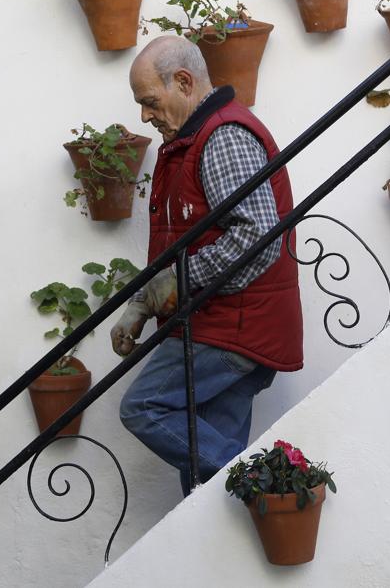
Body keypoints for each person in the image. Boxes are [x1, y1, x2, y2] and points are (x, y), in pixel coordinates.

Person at [113, 35, 304, 495]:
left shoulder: (222, 138)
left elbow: (256, 235)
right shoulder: (192, 141)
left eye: (150, 101)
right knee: (204, 487)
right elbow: (185, 245)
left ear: (183, 81)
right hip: (230, 327)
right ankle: (252, 515)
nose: (144, 115)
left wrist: (173, 284)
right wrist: (143, 302)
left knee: (142, 407)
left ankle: (269, 488)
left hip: (231, 329)